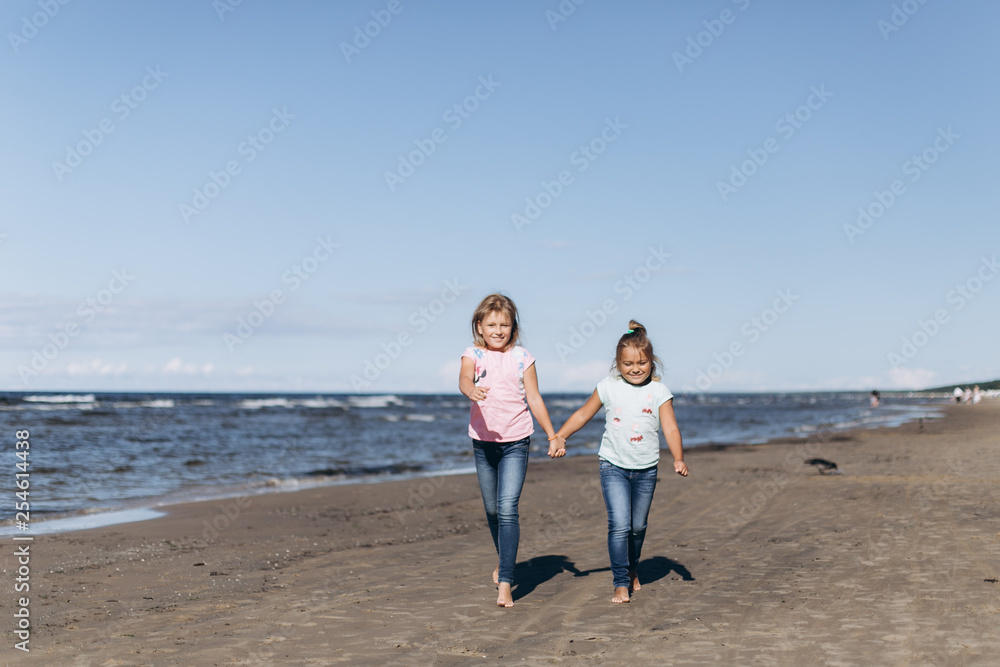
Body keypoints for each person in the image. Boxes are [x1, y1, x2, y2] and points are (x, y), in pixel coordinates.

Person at [551, 320, 688, 603]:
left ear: (652, 362)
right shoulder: (607, 387)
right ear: (618, 364)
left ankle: (632, 567)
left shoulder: (660, 392)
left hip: (646, 469)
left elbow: (671, 428)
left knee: (638, 528)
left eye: (641, 363)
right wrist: (560, 436)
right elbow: (582, 414)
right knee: (619, 525)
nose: (635, 368)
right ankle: (620, 582)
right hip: (612, 466)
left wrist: (678, 458)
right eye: (627, 364)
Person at [459, 294, 564, 608]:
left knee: (507, 509)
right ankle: (504, 558)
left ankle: (506, 581)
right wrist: (471, 389)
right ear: (480, 325)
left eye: (504, 324)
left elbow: (534, 398)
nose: (497, 330)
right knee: (492, 511)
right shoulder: (472, 354)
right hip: (483, 443)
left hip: (517, 441)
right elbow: (464, 379)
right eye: (491, 324)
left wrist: (552, 435)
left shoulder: (523, 357)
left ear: (513, 326)